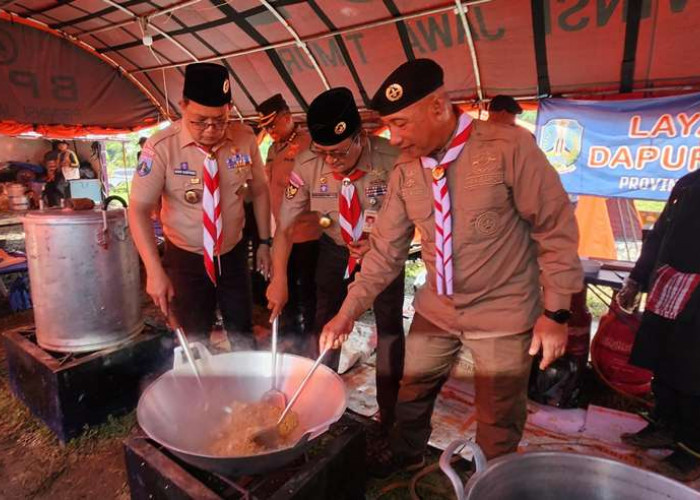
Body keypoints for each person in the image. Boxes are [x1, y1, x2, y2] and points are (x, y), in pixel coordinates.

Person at [320, 59, 583, 475]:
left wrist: (555, 313)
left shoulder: (509, 148)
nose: (395, 137)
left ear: (439, 107)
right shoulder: (408, 171)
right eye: (389, 125)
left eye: (402, 124)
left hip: (504, 311)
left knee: (498, 412)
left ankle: (490, 480)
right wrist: (346, 313)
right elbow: (385, 251)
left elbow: (555, 230)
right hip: (437, 308)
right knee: (413, 390)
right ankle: (404, 456)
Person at [267, 87, 405, 432]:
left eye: (340, 151)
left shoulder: (395, 160)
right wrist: (278, 278)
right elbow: (284, 228)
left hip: (383, 254)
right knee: (325, 321)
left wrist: (382, 242)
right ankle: (321, 402)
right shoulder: (306, 164)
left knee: (388, 331)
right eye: (323, 151)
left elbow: (421, 219)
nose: (331, 161)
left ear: (361, 135)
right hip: (333, 249)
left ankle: (388, 414)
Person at [128, 62, 271, 349]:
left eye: (219, 120)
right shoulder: (161, 147)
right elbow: (139, 209)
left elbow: (260, 190)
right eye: (199, 120)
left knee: (242, 329)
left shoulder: (244, 138)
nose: (210, 130)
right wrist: (154, 271)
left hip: (232, 253)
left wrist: (266, 241)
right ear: (183, 106)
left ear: (229, 108)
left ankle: (245, 389)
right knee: (193, 336)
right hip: (185, 257)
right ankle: (199, 391)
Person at [618, 170, 700, 482]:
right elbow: (660, 233)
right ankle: (665, 425)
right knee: (662, 363)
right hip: (670, 283)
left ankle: (692, 452)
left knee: (693, 374)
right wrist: (637, 278)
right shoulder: (688, 182)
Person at [257, 93, 320, 353]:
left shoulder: (308, 144)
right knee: (285, 284)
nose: (270, 131)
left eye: (273, 125)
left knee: (308, 289)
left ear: (288, 118)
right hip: (281, 233)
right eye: (266, 127)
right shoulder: (274, 148)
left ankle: (311, 340)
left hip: (307, 234)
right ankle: (291, 335)